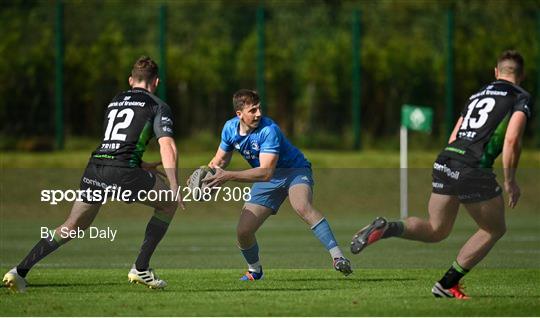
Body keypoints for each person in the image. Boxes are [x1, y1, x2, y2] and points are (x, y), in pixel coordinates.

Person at [350, 50, 532, 299]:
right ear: (522, 75)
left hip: (447, 158)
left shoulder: (476, 95)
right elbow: (512, 140)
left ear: (496, 72)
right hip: (472, 167)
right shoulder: (520, 97)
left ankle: (389, 228)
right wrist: (510, 180)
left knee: (437, 229)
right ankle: (447, 284)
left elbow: (453, 136)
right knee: (493, 229)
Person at [3, 56, 184, 292]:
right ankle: (141, 268)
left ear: (131, 80)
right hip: (122, 172)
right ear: (156, 82)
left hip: (96, 168)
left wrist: (142, 164)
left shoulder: (116, 101)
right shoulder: (157, 105)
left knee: (73, 225)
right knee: (168, 204)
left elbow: (117, 142)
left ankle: (19, 271)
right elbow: (167, 145)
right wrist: (173, 184)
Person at [203, 89, 352, 280]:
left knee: (302, 205)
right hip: (268, 179)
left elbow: (265, 171)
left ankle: (338, 257)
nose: (259, 114)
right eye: (253, 110)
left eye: (259, 108)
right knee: (243, 231)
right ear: (239, 114)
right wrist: (207, 178)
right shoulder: (229, 129)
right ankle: (255, 271)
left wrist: (228, 176)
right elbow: (219, 161)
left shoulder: (268, 130)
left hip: (294, 171)